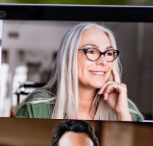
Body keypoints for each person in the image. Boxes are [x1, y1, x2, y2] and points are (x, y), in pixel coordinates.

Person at [16, 22, 144, 121]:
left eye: (109, 53)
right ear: (69, 56)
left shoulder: (127, 109)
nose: (103, 61)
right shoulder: (37, 106)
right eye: (92, 51)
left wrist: (122, 115)